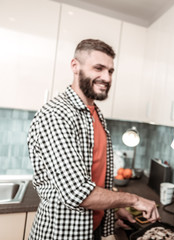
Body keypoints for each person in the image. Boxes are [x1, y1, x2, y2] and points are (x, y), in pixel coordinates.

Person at [27, 39, 160, 240]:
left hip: (92, 230)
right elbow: (78, 192)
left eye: (110, 71)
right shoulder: (56, 115)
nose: (106, 77)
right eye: (98, 68)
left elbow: (95, 180)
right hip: (62, 234)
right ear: (75, 66)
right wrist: (133, 201)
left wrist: (113, 211)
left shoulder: (95, 115)